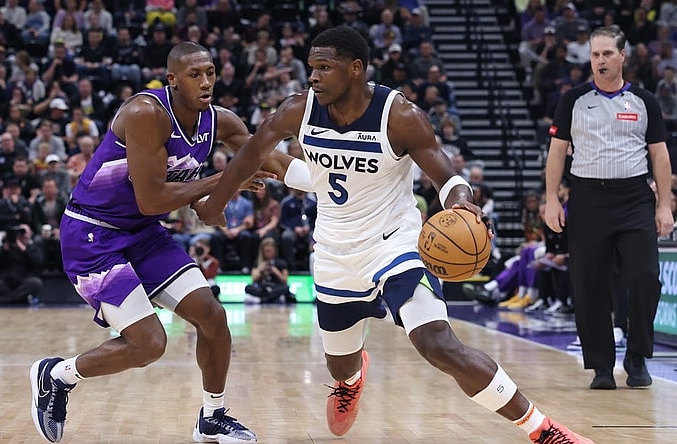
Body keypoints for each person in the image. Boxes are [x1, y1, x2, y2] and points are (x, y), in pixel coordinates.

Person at [195, 26, 593, 443]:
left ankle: (542, 429)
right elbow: (250, 155)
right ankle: (352, 380)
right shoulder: (298, 109)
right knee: (340, 366)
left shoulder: (399, 115)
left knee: (437, 343)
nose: (312, 76)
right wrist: (215, 203)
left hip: (395, 245)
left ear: (355, 69)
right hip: (333, 253)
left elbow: (446, 176)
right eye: (312, 67)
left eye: (324, 68)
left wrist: (461, 202)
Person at [28, 42, 279, 443]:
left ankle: (212, 416)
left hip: (144, 232)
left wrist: (325, 175)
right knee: (149, 344)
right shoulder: (146, 113)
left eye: (210, 73)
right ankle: (57, 375)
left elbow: (264, 158)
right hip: (93, 235)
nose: (206, 82)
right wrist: (225, 180)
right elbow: (153, 199)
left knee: (212, 316)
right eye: (195, 75)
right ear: (172, 80)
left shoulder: (219, 121)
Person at [544, 26, 674, 391]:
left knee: (645, 276)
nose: (600, 60)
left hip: (634, 197)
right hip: (587, 197)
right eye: (595, 54)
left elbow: (659, 155)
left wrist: (665, 205)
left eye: (607, 54)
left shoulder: (644, 101)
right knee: (589, 283)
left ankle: (637, 356)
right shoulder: (573, 100)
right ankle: (601, 364)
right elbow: (557, 152)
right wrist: (551, 199)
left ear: (622, 56)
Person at [0, 224, 43, 304]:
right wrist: (4, 251)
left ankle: (6, 299)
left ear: (30, 234)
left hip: (24, 280)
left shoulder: (33, 248)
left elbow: (37, 262)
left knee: (36, 283)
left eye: (25, 232)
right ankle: (20, 299)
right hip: (7, 281)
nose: (23, 235)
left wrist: (24, 250)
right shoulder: (7, 248)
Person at [244, 237, 294, 304]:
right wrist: (260, 269)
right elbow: (253, 279)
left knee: (285, 288)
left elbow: (285, 280)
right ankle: (271, 299)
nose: (268, 253)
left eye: (270, 251)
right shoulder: (257, 263)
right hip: (262, 287)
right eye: (266, 251)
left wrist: (276, 271)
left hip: (275, 287)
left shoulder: (281, 263)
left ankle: (263, 300)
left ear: (275, 250)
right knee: (248, 288)